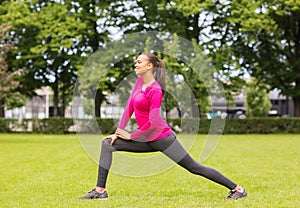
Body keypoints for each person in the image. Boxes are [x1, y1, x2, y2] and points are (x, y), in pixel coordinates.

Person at [79, 53, 247, 200]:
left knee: (194, 168)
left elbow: (154, 123)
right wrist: (118, 133)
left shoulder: (155, 90)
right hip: (145, 138)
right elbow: (129, 106)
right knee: (107, 145)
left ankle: (237, 189)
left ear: (149, 66)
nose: (135, 64)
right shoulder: (139, 82)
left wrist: (131, 136)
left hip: (162, 139)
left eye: (139, 62)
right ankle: (100, 191)